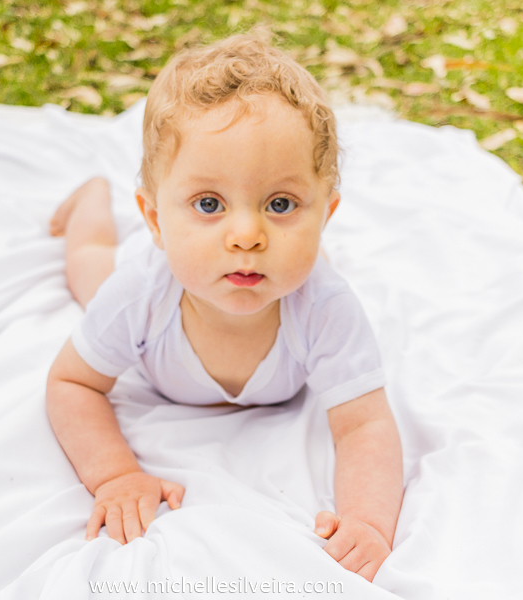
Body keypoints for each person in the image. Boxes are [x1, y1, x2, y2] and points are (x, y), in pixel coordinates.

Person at [45, 34, 403, 582]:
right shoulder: (140, 294)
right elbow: (72, 384)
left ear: (327, 211)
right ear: (157, 219)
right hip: (157, 293)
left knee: (299, 264)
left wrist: (368, 522)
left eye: (280, 204)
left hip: (297, 274)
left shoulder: (326, 308)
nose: (245, 235)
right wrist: (116, 476)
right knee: (91, 266)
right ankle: (90, 198)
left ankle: (299, 238)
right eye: (208, 204)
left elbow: (364, 426)